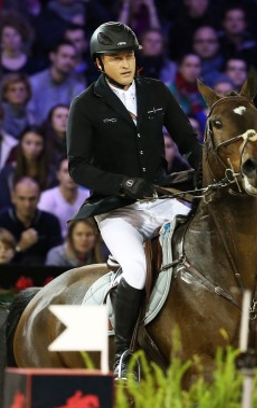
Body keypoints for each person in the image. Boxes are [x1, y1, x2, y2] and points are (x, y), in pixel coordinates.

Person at [68, 22, 202, 380]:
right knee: (138, 271)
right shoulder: (85, 106)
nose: (125, 64)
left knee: (202, 242)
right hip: (117, 210)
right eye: (116, 58)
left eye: (128, 56)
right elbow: (78, 168)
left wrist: (204, 165)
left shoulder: (156, 92)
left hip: (161, 200)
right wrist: (125, 183)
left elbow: (188, 141)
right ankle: (122, 354)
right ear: (100, 63)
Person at [0, 176, 62, 266]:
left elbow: (56, 257)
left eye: (32, 199)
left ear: (39, 198)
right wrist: (19, 247)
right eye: (22, 198)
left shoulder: (51, 221)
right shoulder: (0, 220)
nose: (27, 204)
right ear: (13, 198)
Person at [0, 126, 56, 209]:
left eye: (38, 144)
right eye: (28, 143)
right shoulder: (8, 172)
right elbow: (5, 204)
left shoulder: (51, 173)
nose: (32, 148)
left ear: (44, 146)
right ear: (20, 144)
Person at [27, 42, 85, 125]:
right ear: (52, 56)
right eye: (64, 56)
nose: (68, 61)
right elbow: (29, 114)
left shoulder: (77, 86)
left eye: (72, 58)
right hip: (38, 133)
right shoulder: (34, 83)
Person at [38, 158, 90, 240]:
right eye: (66, 171)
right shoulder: (46, 198)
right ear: (58, 175)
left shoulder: (89, 196)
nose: (70, 176)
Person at [0, 73, 36, 139]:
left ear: (27, 93)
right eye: (13, 90)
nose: (18, 93)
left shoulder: (31, 116)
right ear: (5, 94)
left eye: (21, 90)